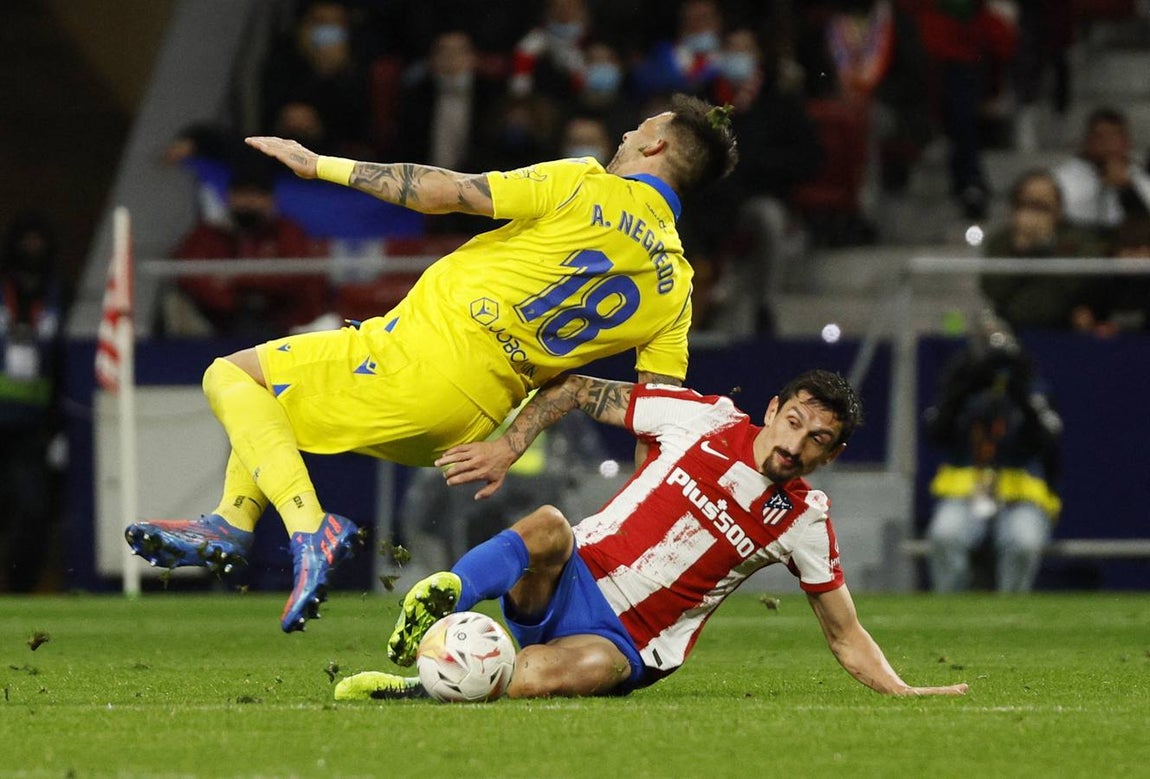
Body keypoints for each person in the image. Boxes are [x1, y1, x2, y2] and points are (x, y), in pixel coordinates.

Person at [125, 94, 739, 633]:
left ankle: (309, 527)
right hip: (467, 425)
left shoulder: (584, 183)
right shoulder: (677, 287)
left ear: (655, 144)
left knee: (227, 375)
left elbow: (444, 191)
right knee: (269, 395)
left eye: (638, 128)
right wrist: (524, 448)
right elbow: (654, 420)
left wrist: (321, 166)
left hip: (420, 360)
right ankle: (233, 520)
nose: (627, 135)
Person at [334, 369, 969, 700]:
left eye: (817, 440)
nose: (795, 445)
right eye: (794, 421)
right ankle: (449, 589)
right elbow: (579, 391)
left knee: (548, 679)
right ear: (772, 410)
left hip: (628, 642)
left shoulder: (804, 519)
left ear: (829, 455)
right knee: (553, 524)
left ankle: (422, 684)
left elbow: (846, 633)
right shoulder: (704, 419)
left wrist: (906, 691)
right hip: (568, 577)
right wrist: (509, 445)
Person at [922, 314, 1062, 593]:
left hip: (1020, 495)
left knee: (1023, 542)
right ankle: (949, 609)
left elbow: (1047, 438)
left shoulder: (1033, 390)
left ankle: (1011, 610)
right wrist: (965, 386)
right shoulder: (960, 389)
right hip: (966, 493)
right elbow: (936, 433)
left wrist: (1020, 391)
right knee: (945, 535)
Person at [167, 151, 328, 338]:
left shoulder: (287, 232)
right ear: (229, 198)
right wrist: (228, 300)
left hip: (279, 319)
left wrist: (236, 280)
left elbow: (296, 279)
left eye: (256, 195)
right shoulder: (209, 233)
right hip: (220, 319)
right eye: (242, 194)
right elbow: (189, 275)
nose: (249, 201)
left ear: (270, 200)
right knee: (175, 301)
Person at [0, 214, 68, 592]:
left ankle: (21, 586)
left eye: (38, 244)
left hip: (32, 427)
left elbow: (63, 363)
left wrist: (57, 424)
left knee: (32, 508)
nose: (32, 253)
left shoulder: (58, 296)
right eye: (25, 244)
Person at [980, 169, 1109, 331]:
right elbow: (994, 291)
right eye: (1029, 206)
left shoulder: (1081, 238)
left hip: (1069, 328)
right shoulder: (1002, 241)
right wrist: (1020, 253)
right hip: (1015, 327)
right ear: (1015, 208)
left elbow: (1087, 284)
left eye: (1043, 207)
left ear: (1059, 208)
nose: (1035, 216)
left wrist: (1047, 245)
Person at [1053, 107, 1150, 235]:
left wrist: (1126, 190)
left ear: (1127, 142)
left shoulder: (1141, 178)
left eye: (1114, 137)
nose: (1107, 145)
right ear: (1087, 141)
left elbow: (1144, 225)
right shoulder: (1061, 178)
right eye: (1100, 137)